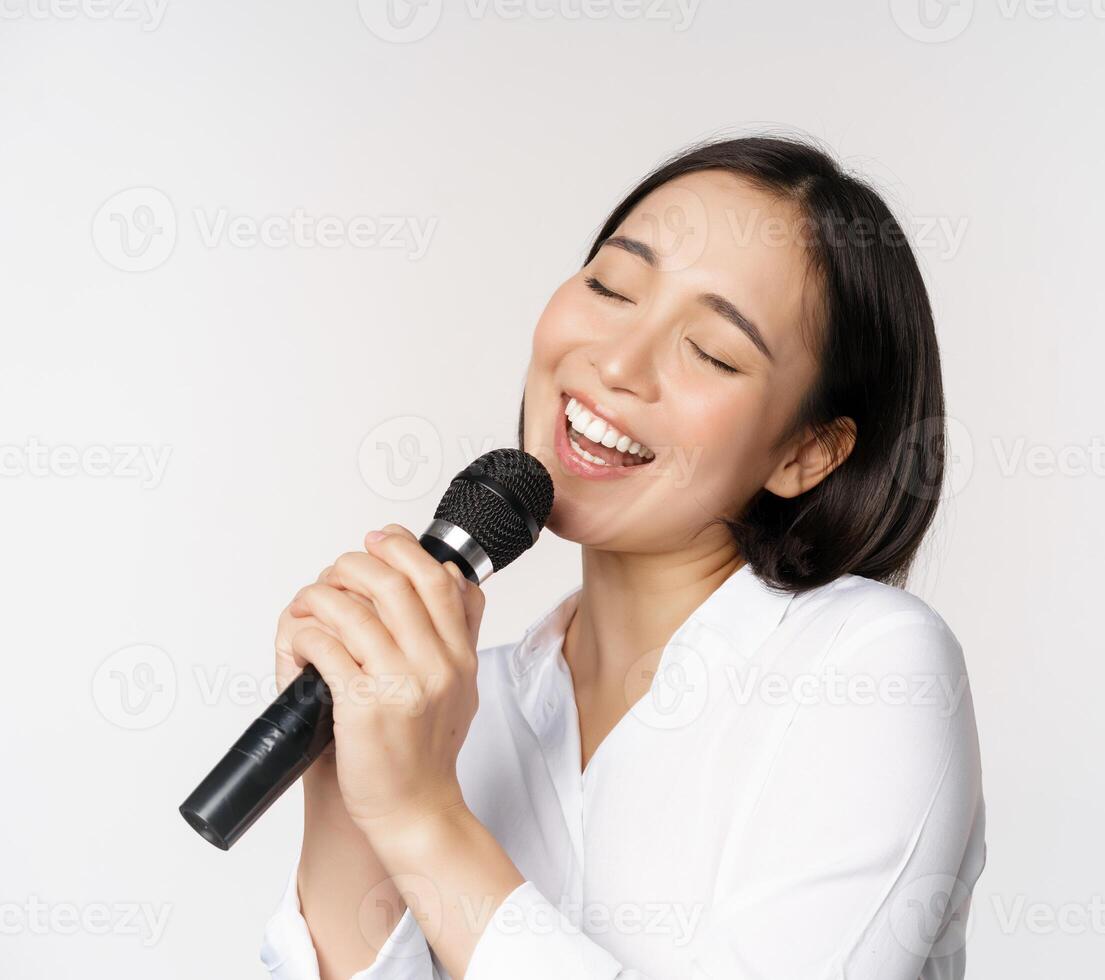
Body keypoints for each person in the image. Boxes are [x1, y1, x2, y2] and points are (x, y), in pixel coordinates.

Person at [259, 134, 986, 979]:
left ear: (808, 453)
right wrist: (350, 784)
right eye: (611, 286)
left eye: (712, 351)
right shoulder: (461, 702)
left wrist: (423, 817)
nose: (616, 362)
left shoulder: (872, 667)